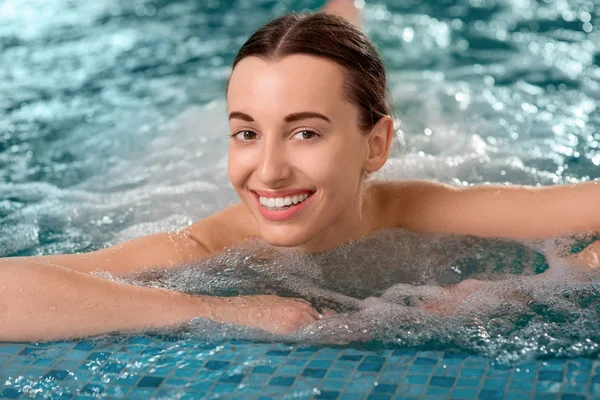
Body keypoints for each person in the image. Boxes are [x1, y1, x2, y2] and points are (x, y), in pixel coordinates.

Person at [0, 0, 598, 343]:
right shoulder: (207, 247)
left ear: (376, 146)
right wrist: (214, 308)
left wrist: (523, 288)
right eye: (246, 133)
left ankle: (346, 15)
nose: (269, 170)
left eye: (305, 132)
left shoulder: (421, 209)